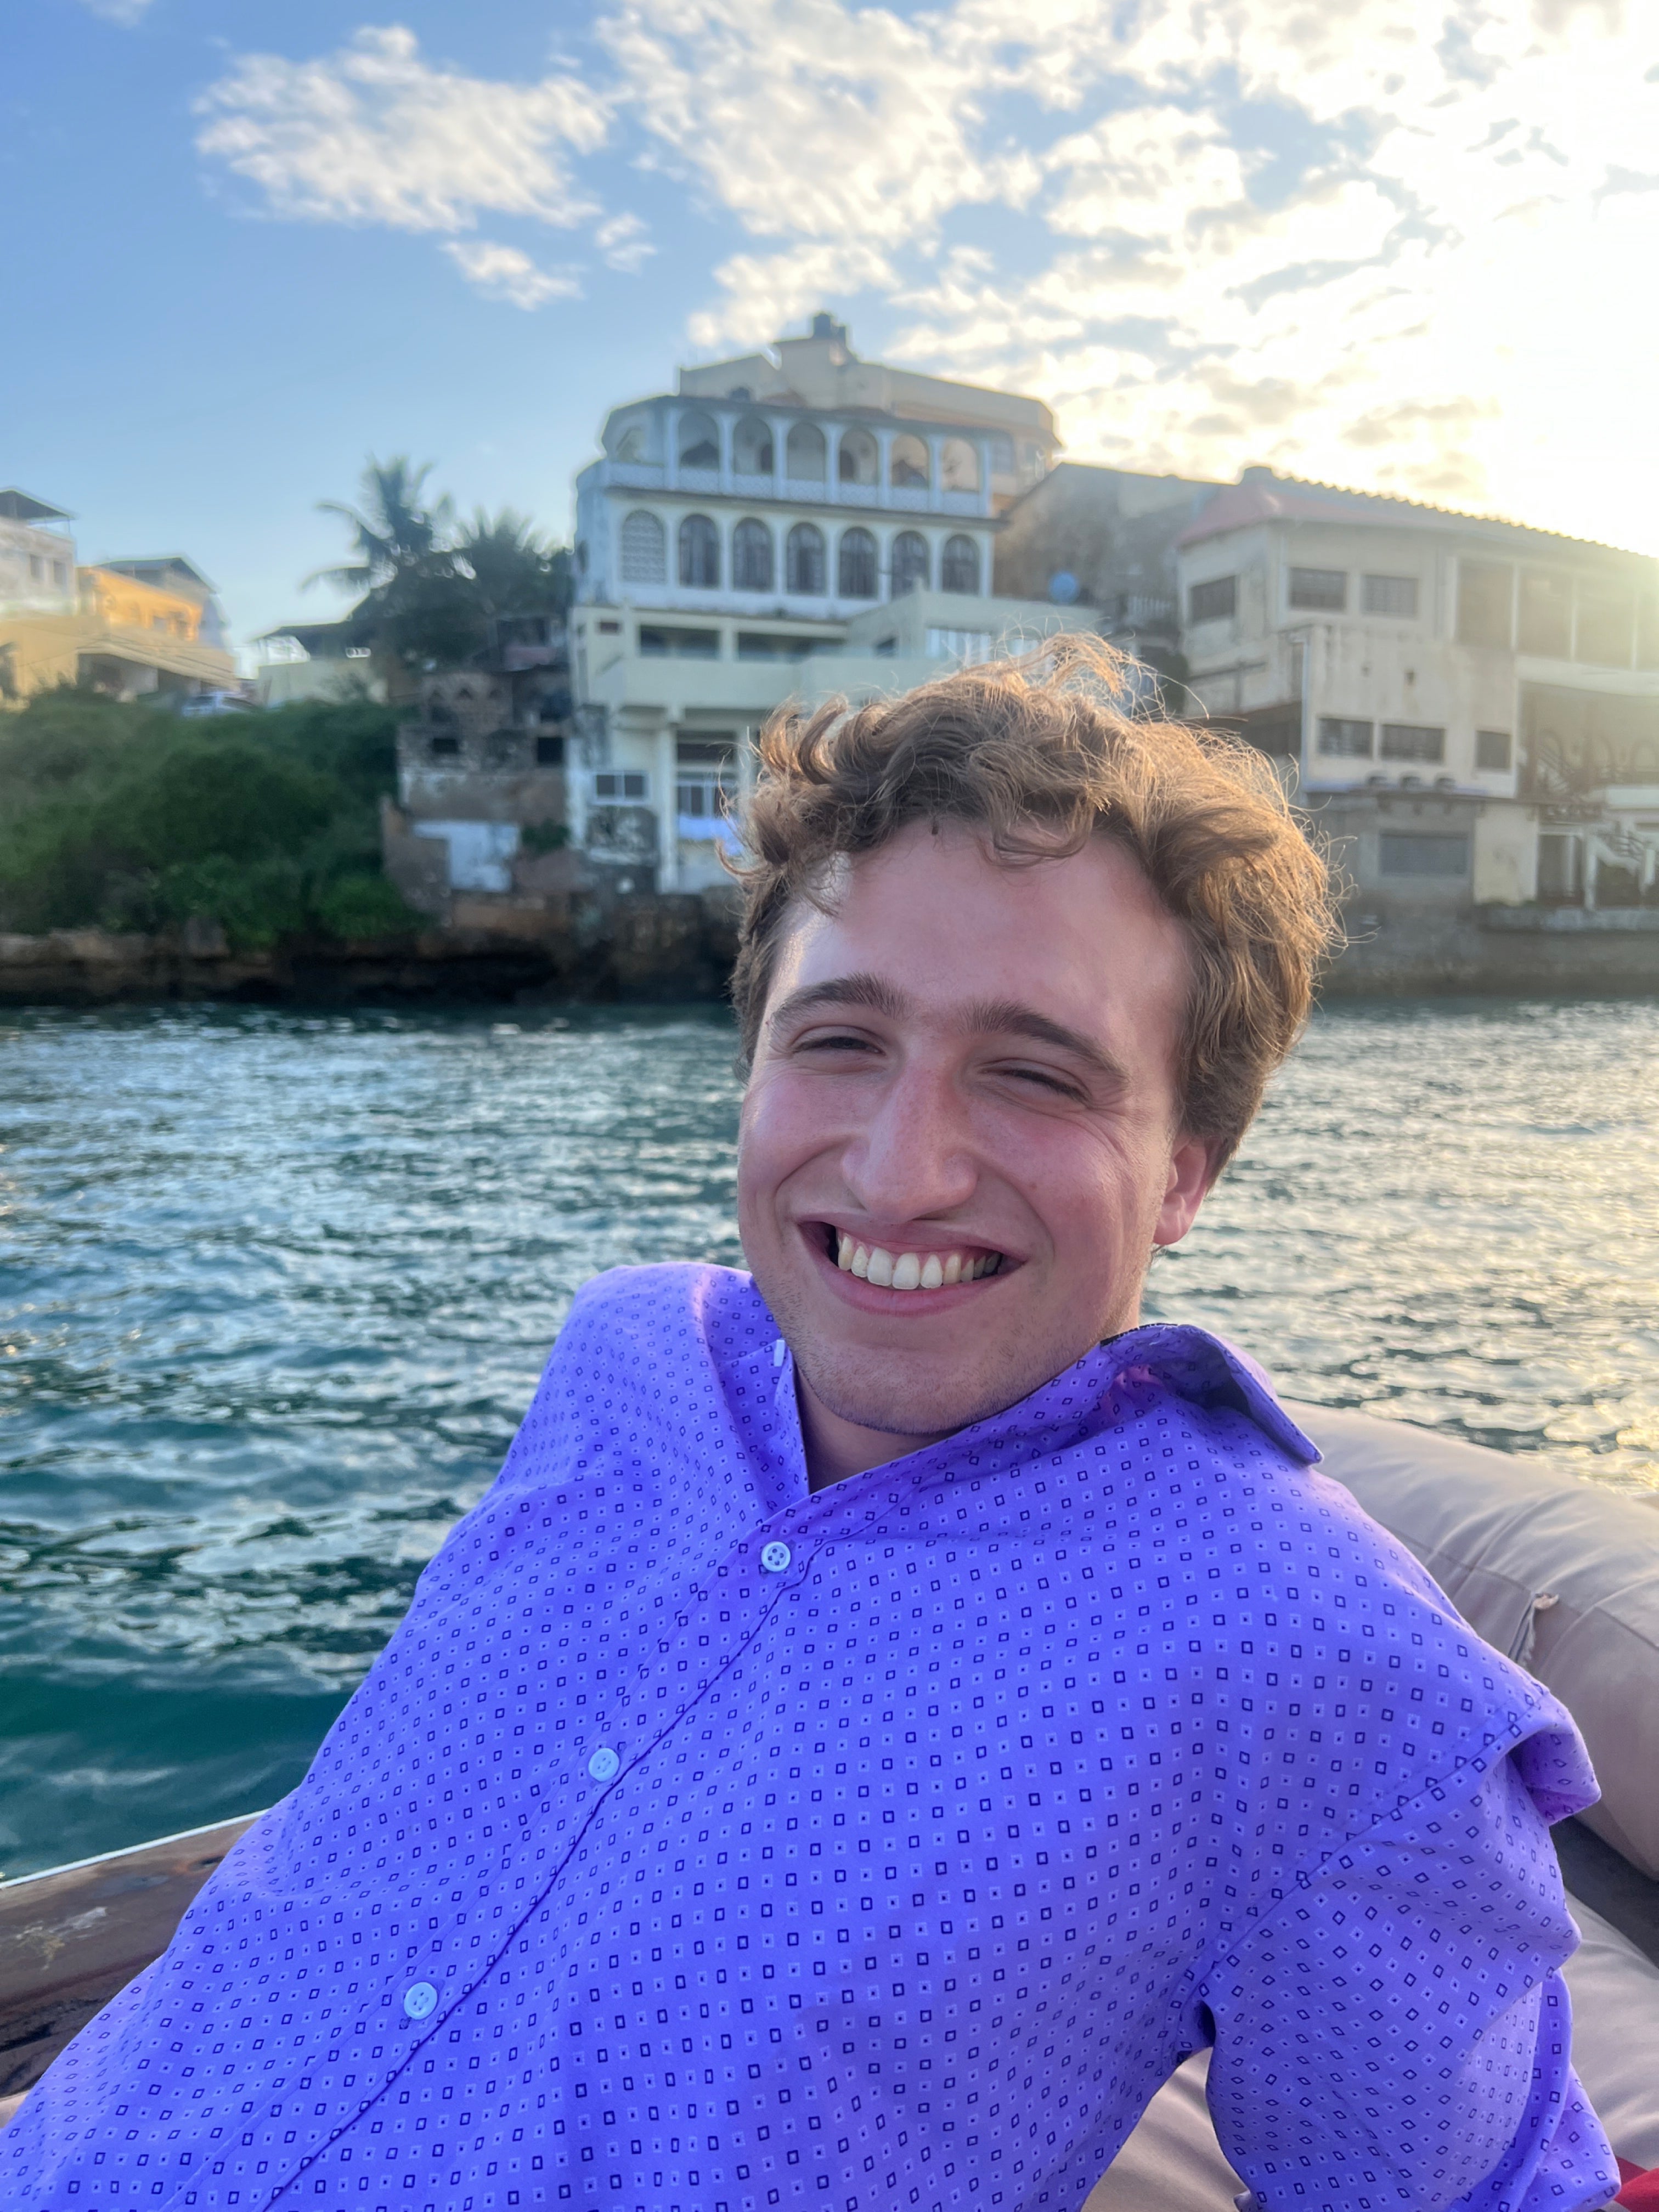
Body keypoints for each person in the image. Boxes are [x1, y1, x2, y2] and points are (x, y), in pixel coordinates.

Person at [4, 639, 1616, 2212]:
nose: (902, 1171)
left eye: (1037, 1076)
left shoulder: (1320, 1671)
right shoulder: (629, 1352)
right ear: (754, 1065)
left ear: (1185, 1170)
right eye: (840, 1041)